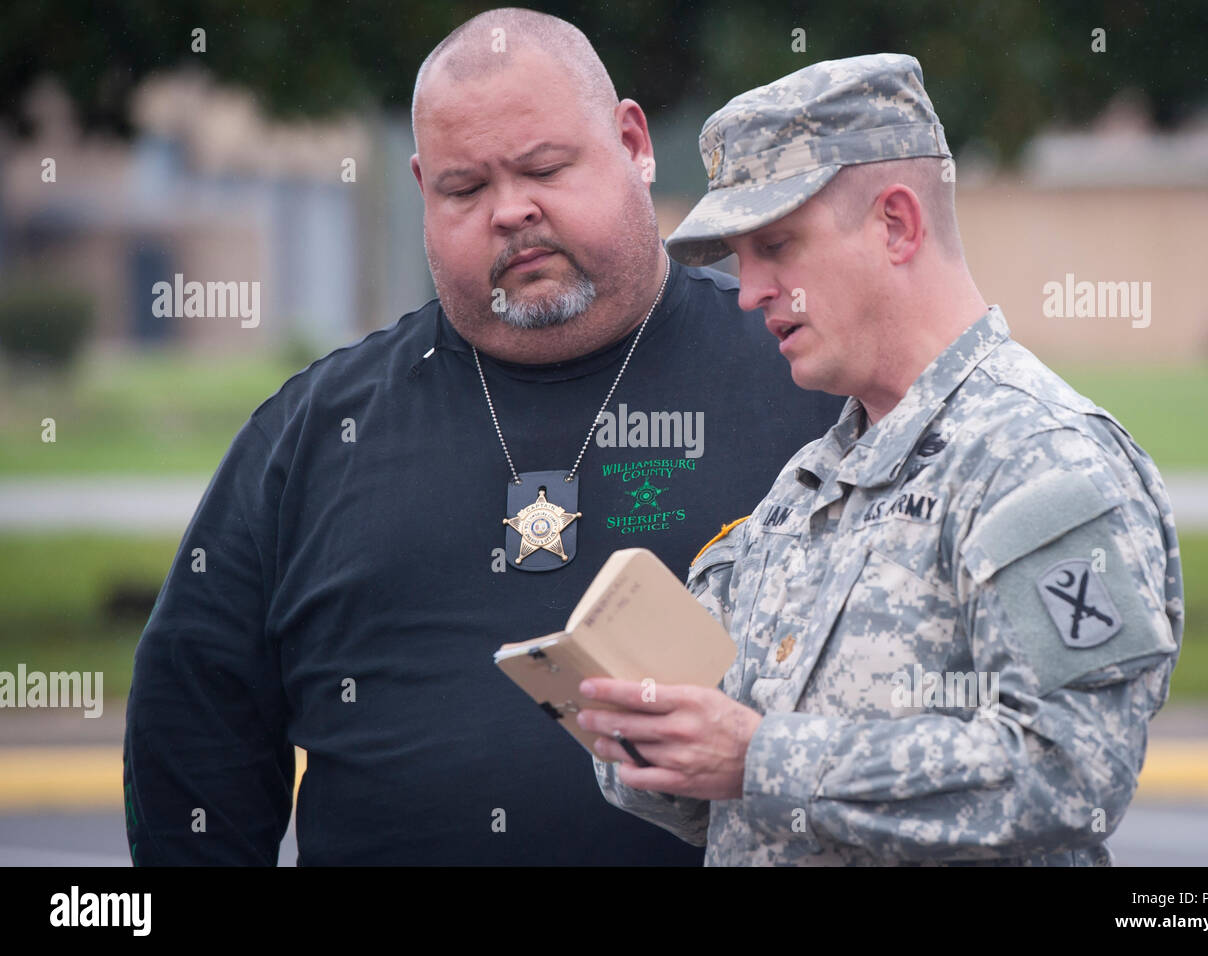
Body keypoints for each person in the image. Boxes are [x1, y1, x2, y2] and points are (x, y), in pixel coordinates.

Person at [122, 9, 842, 865]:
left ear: (633, 141)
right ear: (423, 188)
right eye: (465, 190)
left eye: (544, 167)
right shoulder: (316, 435)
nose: (512, 212)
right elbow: (192, 745)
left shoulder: (810, 384)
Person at [580, 53, 1184, 865]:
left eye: (776, 245)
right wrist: (650, 745)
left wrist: (764, 759)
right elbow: (726, 809)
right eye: (740, 258)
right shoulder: (805, 489)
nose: (751, 289)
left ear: (896, 224)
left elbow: (1071, 771)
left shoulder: (1036, 460)